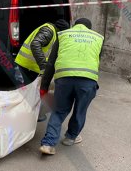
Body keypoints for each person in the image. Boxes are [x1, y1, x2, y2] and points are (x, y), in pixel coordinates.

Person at [39, 18, 104, 155]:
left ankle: (48, 144)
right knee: (80, 110)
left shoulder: (63, 35)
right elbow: (97, 60)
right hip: (87, 80)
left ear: (74, 26)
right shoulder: (98, 38)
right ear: (89, 29)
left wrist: (44, 85)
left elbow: (51, 62)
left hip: (64, 78)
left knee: (59, 110)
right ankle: (70, 137)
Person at [15, 19, 69, 122]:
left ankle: (28, 116)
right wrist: (44, 66)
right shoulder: (49, 31)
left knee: (29, 93)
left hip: (31, 67)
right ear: (61, 31)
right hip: (26, 66)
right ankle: (22, 119)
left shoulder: (52, 33)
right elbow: (35, 44)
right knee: (25, 93)